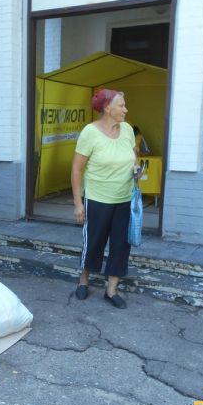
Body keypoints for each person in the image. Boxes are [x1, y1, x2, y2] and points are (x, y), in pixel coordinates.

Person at [71, 88, 136, 309]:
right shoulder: (90, 132)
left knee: (121, 245)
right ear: (108, 108)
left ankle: (111, 290)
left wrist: (136, 168)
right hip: (97, 198)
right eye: (121, 106)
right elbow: (77, 169)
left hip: (124, 198)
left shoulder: (127, 129)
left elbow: (134, 156)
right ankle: (84, 280)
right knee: (94, 241)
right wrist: (78, 203)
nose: (125, 110)